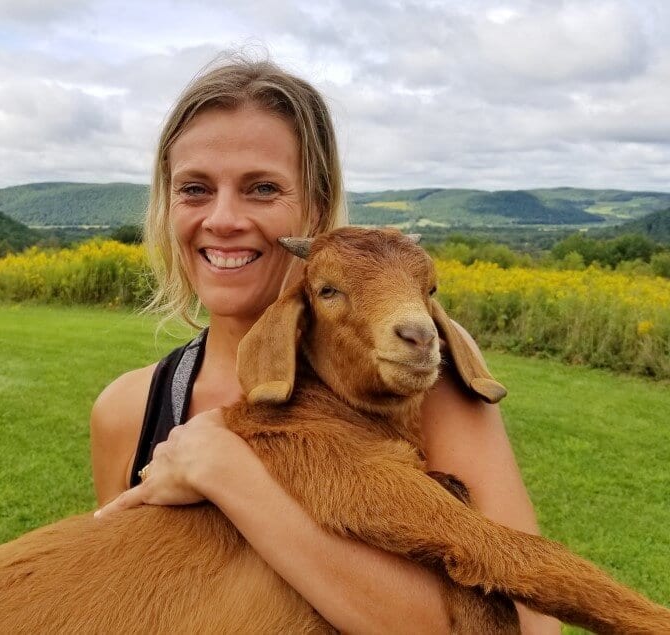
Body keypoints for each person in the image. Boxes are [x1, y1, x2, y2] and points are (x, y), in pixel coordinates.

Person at [92, 57, 561, 634]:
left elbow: (529, 623)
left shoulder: (422, 392)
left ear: (316, 210)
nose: (223, 218)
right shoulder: (128, 410)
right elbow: (127, 602)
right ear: (168, 209)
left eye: (262, 189)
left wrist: (230, 475)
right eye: (194, 189)